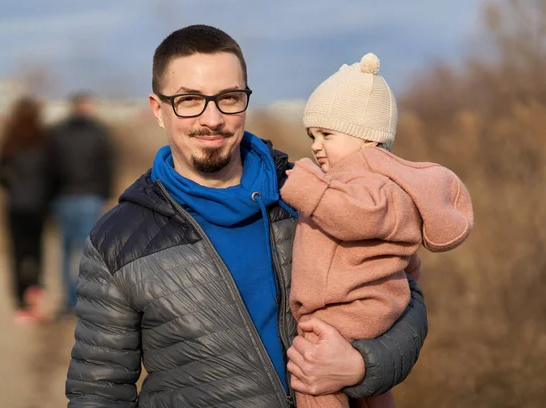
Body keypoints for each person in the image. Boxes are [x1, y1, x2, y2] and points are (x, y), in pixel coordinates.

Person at [66, 25, 429, 408]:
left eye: (229, 97)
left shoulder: (315, 196)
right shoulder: (117, 241)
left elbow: (406, 301)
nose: (212, 118)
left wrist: (362, 367)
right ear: (159, 110)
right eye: (189, 100)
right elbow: (98, 392)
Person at [280, 53, 474, 408]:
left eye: (326, 134)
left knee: (311, 374)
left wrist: (306, 186)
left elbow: (359, 215)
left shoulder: (369, 182)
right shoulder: (376, 181)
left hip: (348, 310)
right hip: (371, 308)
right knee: (372, 391)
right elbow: (403, 259)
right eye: (312, 135)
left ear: (367, 138)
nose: (315, 145)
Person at [47, 91, 115, 316]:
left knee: (67, 252)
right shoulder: (99, 132)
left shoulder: (57, 132)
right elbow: (107, 166)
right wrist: (106, 194)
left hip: (63, 197)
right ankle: (89, 302)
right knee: (89, 252)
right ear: (85, 106)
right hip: (89, 196)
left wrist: (50, 198)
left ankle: (70, 301)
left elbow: (50, 168)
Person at [0, 96, 50, 325]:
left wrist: (11, 187)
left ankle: (20, 305)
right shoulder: (45, 138)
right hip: (39, 204)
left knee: (17, 253)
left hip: (15, 205)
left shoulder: (9, 140)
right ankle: (35, 292)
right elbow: (54, 171)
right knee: (36, 251)